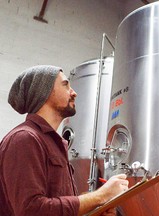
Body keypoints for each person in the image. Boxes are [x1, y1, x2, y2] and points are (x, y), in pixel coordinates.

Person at [0, 65, 129, 216]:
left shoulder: (54, 143)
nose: (74, 93)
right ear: (45, 92)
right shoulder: (24, 139)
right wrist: (101, 196)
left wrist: (93, 211)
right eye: (66, 85)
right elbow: (31, 210)